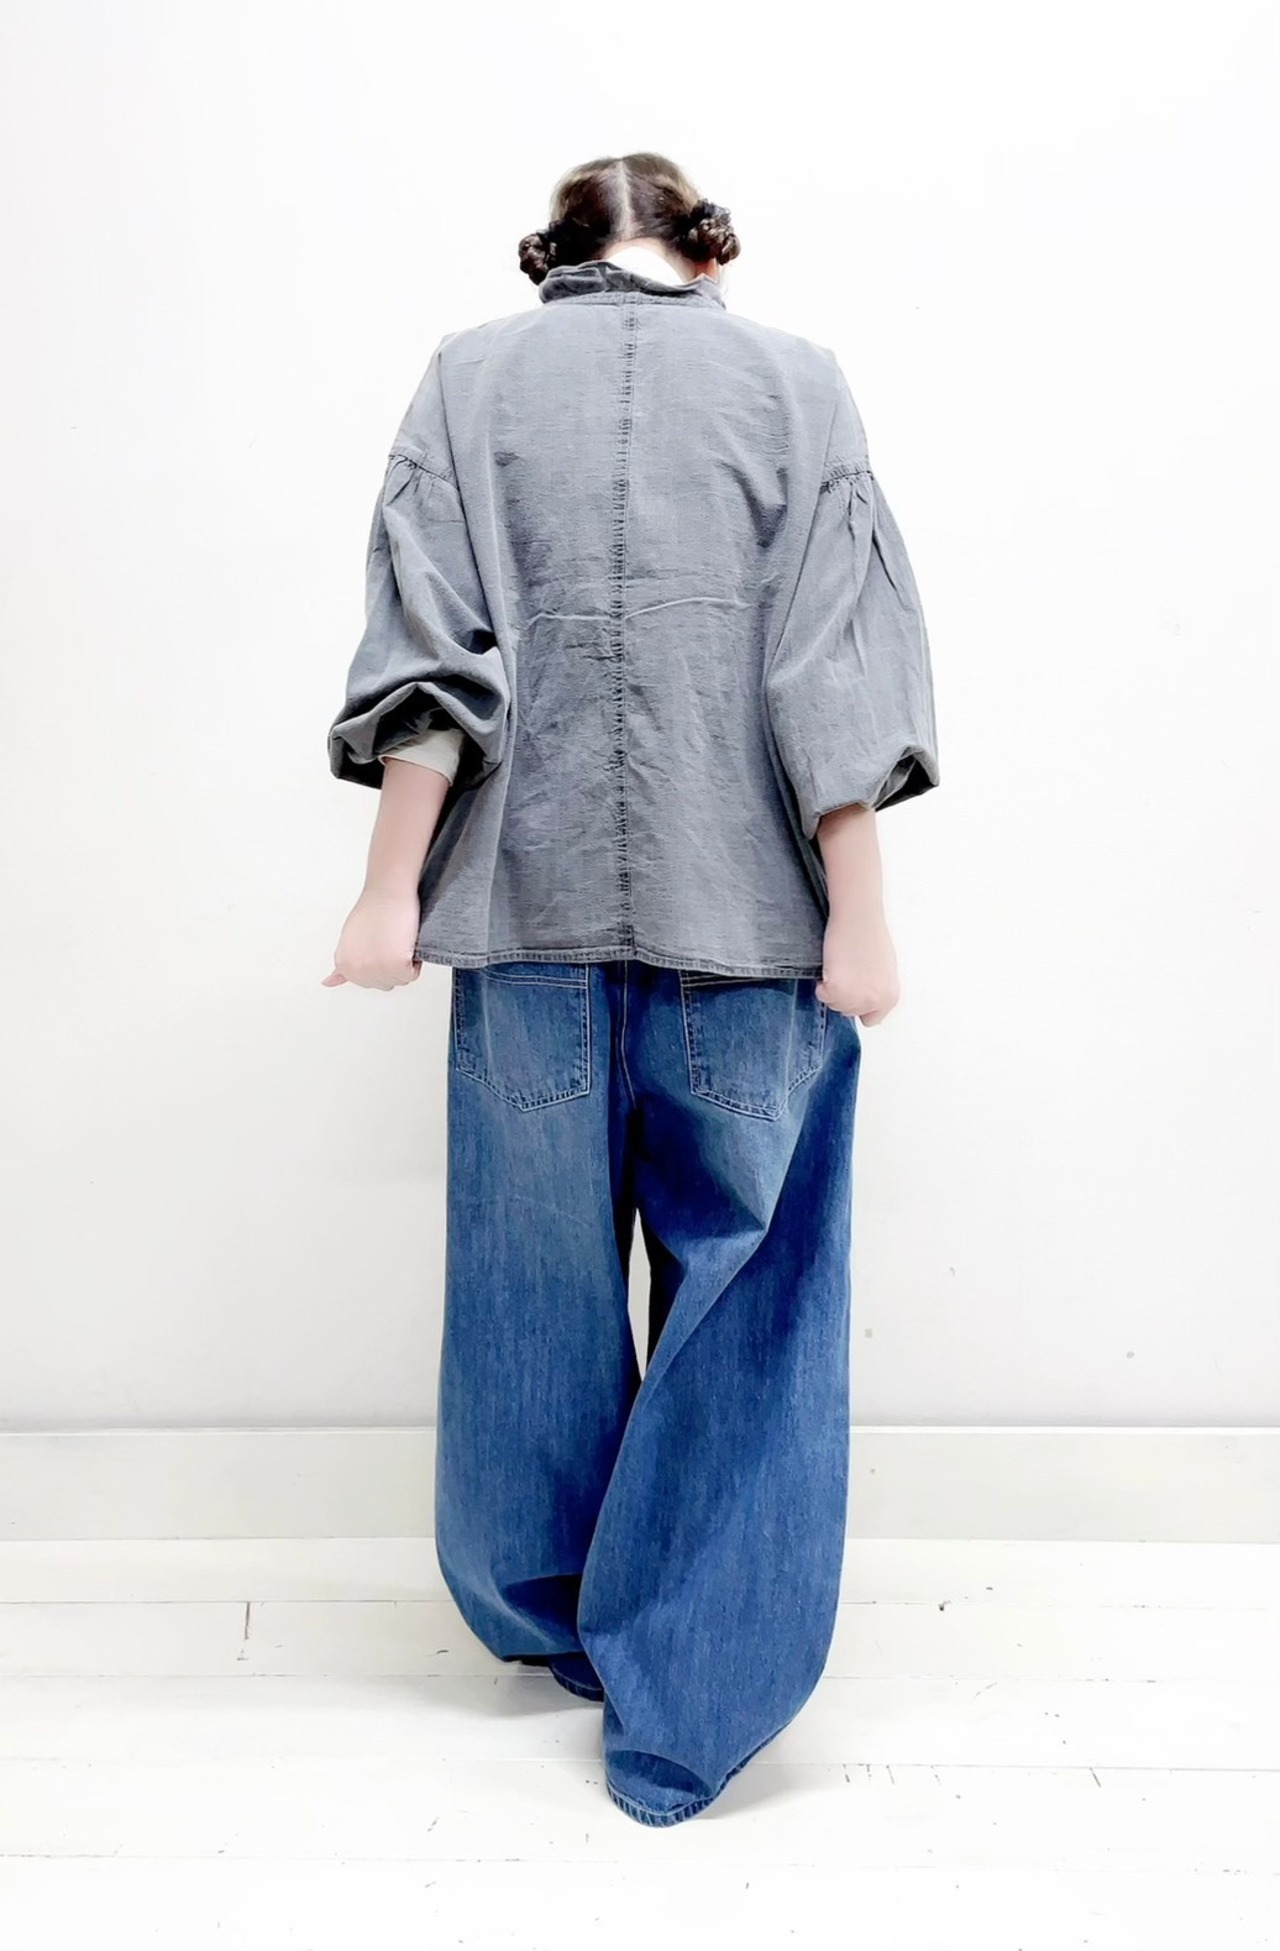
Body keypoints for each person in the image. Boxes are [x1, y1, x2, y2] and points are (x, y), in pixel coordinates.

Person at [322, 152, 940, 1828]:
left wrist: (387, 895)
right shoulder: (797, 384)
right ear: (706, 251)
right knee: (748, 1294)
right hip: (749, 929)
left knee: (529, 1287)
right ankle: (690, 1704)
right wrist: (863, 919)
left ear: (553, 257)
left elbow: (431, 661)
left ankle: (557, 1620)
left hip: (518, 923)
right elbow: (833, 669)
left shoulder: (468, 380)